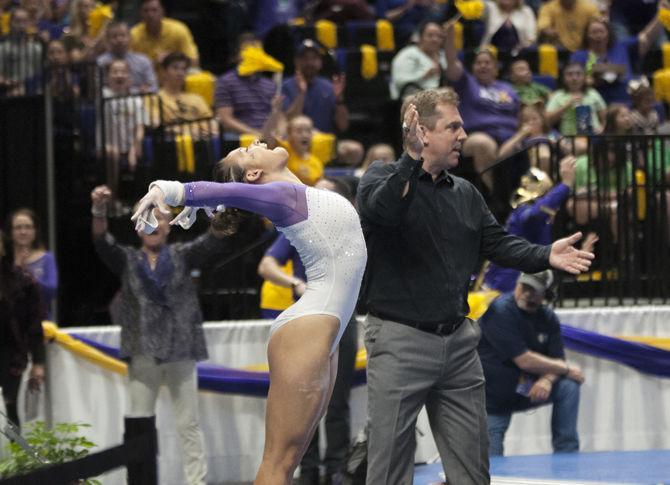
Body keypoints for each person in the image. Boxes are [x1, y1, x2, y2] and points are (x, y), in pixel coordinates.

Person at [356, 87, 594, 484]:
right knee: (388, 468)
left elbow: (498, 243)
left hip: (460, 344)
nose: (464, 135)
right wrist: (411, 161)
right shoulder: (380, 177)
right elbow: (384, 212)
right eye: (454, 126)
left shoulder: (464, 192)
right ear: (421, 131)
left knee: (473, 467)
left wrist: (545, 254)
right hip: (399, 341)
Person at [131, 139, 368, 485]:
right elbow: (221, 190)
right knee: (278, 463)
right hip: (308, 327)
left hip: (324, 327)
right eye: (246, 151)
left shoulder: (301, 194)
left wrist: (202, 197)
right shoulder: (286, 197)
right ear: (254, 173)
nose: (256, 142)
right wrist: (168, 190)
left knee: (289, 459)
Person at [91, 184, 230, 485]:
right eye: (148, 217)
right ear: (139, 224)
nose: (154, 223)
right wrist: (99, 209)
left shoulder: (183, 255)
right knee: (139, 422)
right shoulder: (127, 259)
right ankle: (140, 480)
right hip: (142, 353)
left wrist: (220, 207)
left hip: (181, 350)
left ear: (169, 225)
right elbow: (101, 241)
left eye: (160, 217)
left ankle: (197, 482)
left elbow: (213, 239)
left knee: (188, 424)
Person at [257, 176, 358, 485]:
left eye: (325, 195)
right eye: (314, 194)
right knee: (303, 406)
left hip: (340, 318)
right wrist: (295, 283)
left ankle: (336, 468)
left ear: (344, 205)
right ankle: (309, 468)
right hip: (309, 318)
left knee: (336, 400)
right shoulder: (300, 227)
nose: (315, 201)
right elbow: (266, 266)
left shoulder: (349, 228)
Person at [477, 270, 585, 456]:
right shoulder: (500, 311)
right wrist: (565, 368)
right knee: (489, 466)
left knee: (568, 386)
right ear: (517, 284)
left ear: (546, 294)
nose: (527, 293)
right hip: (492, 399)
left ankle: (567, 455)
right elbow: (524, 360)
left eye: (534, 290)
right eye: (524, 287)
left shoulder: (548, 317)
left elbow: (557, 358)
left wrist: (548, 380)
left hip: (528, 389)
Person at [483, 157, 580, 293]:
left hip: (517, 282)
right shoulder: (524, 212)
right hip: (509, 285)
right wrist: (565, 185)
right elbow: (535, 216)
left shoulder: (523, 215)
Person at [444, 22, 520, 193]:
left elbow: (520, 115)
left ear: (496, 68)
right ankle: (496, 200)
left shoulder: (508, 89)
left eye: (488, 63)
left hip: (511, 136)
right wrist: (449, 39)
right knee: (483, 144)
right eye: (479, 63)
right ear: (473, 68)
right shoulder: (467, 83)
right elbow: (452, 64)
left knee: (539, 145)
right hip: (476, 136)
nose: (483, 65)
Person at [0, 228, 45, 429]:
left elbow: (35, 325)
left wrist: (38, 362)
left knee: (10, 412)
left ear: (3, 247)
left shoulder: (23, 282)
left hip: (10, 356)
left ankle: (17, 459)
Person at [570, 16, 663, 104]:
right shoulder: (580, 56)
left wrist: (661, 16)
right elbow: (580, 80)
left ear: (608, 34)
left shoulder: (620, 47)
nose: (598, 36)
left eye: (601, 32)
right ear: (587, 36)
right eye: (594, 32)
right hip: (598, 102)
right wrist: (602, 75)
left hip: (627, 99)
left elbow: (645, 38)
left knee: (657, 105)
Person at [214, 33, 277, 138]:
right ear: (237, 55)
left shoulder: (270, 84)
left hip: (268, 133)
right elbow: (226, 120)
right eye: (247, 51)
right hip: (241, 136)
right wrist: (255, 134)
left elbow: (279, 116)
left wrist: (280, 133)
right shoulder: (225, 82)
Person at [6, 208, 58, 320]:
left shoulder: (47, 259)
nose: (23, 232)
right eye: (18, 228)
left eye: (28, 227)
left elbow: (51, 292)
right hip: (11, 324)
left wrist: (27, 273)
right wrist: (16, 268)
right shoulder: (5, 260)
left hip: (41, 322)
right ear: (11, 232)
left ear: (35, 231)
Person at [130, 0, 199, 68]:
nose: (150, 15)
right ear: (140, 14)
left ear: (162, 12)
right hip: (147, 77)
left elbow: (194, 61)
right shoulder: (134, 34)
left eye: (154, 10)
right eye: (146, 11)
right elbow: (129, 67)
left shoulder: (178, 30)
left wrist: (172, 58)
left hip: (176, 76)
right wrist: (154, 63)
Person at [545, 62, 607, 136]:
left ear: (584, 77)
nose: (574, 78)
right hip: (569, 138)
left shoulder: (592, 93)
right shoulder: (558, 95)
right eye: (569, 74)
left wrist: (603, 127)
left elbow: (605, 116)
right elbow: (547, 120)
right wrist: (566, 106)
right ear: (564, 78)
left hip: (593, 136)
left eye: (579, 74)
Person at [390, 21, 447, 100]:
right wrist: (424, 75)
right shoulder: (408, 54)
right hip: (413, 98)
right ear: (420, 37)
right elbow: (400, 81)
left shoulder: (444, 55)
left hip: (441, 97)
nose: (435, 39)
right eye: (430, 35)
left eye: (439, 36)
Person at [97, 20, 158, 94]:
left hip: (139, 102)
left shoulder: (143, 60)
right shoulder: (100, 62)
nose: (119, 40)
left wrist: (134, 92)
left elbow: (153, 88)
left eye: (123, 35)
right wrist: (138, 90)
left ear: (130, 38)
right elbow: (97, 89)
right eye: (114, 36)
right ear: (107, 40)